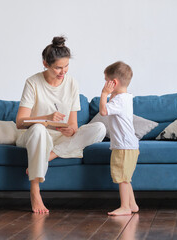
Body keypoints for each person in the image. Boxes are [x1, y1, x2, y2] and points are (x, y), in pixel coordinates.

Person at [16, 36, 106, 213]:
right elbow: (20, 122)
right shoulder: (32, 83)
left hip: (61, 139)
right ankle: (35, 192)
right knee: (39, 128)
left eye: (66, 66)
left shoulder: (72, 83)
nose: (62, 72)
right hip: (35, 136)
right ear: (45, 63)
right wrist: (47, 118)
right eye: (58, 67)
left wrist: (71, 129)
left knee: (100, 128)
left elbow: (73, 124)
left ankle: (47, 156)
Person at [99, 61, 140, 216]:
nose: (105, 84)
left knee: (122, 177)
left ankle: (125, 207)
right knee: (126, 177)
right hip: (129, 145)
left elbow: (103, 111)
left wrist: (104, 93)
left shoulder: (118, 100)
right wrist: (112, 93)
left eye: (106, 80)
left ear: (113, 82)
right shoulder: (126, 97)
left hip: (123, 146)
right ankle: (132, 204)